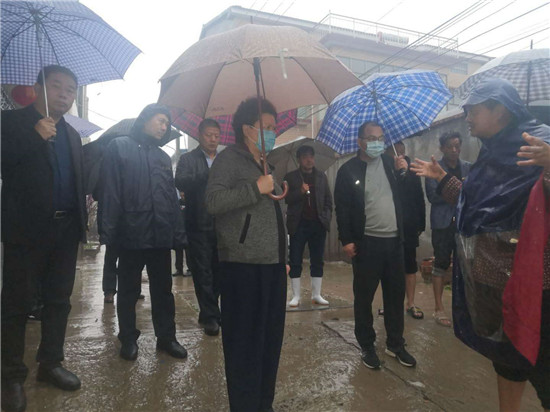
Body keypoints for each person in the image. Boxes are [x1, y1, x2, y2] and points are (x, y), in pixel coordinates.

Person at [411, 78, 550, 412]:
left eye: (473, 110)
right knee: (506, 360)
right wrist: (441, 178)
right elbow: (477, 205)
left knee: (544, 365)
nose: (467, 116)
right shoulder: (490, 153)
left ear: (499, 110)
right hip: (492, 282)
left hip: (536, 285)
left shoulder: (538, 145)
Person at [1, 65, 88, 412]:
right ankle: (11, 376)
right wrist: (33, 136)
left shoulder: (72, 134)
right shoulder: (11, 122)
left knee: (58, 301)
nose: (64, 94)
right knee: (16, 304)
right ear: (37, 89)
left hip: (65, 231)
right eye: (56, 86)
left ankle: (50, 363)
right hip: (26, 231)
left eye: (70, 89)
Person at [205, 97, 287, 412]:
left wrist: (283, 255)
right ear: (246, 129)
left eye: (274, 128)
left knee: (269, 343)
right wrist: (255, 188)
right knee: (243, 346)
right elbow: (213, 202)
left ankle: (263, 404)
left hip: (273, 266)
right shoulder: (229, 159)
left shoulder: (267, 165)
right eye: (266, 127)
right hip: (242, 267)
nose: (271, 133)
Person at [99, 104, 188, 361]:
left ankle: (167, 338)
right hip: (131, 234)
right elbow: (111, 191)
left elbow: (171, 199)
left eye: (167, 123)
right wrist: (109, 231)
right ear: (145, 120)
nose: (164, 127)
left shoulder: (163, 157)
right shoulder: (119, 147)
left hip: (160, 235)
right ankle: (128, 338)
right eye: (160, 121)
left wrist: (177, 232)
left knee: (163, 290)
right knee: (128, 290)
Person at [334, 121, 416, 371]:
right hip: (366, 243)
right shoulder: (348, 170)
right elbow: (343, 207)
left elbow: (408, 198)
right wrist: (346, 239)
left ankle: (395, 344)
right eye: (371, 138)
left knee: (395, 296)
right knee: (364, 297)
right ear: (360, 142)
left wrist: (405, 173)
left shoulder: (393, 164)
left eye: (380, 138)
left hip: (394, 242)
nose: (377, 143)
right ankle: (367, 345)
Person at [175, 118, 222, 336]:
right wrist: (205, 174)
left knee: (220, 271)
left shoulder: (224, 160)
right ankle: (210, 316)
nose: (213, 139)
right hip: (198, 223)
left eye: (216, 136)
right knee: (202, 272)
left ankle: (210, 311)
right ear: (199, 135)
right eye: (208, 135)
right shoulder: (188, 159)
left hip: (223, 224)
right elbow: (180, 181)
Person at [425, 132, 471, 327]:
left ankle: (465, 308)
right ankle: (438, 308)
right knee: (440, 264)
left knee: (466, 265)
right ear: (442, 148)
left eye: (457, 146)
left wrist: (456, 192)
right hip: (443, 224)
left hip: (464, 224)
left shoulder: (468, 167)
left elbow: (473, 193)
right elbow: (432, 196)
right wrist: (458, 192)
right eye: (450, 146)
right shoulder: (435, 168)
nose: (454, 150)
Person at [284, 145, 333, 307]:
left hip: (318, 223)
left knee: (317, 259)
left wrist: (326, 217)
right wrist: (300, 191)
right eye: (305, 157)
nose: (309, 160)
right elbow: (286, 199)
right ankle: (296, 296)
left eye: (311, 156)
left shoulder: (321, 176)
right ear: (299, 159)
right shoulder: (291, 177)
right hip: (298, 224)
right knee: (295, 259)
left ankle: (316, 294)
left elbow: (328, 199)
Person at [385, 141, 426, 319]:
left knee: (409, 265)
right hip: (389, 224)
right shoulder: (383, 168)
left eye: (401, 151)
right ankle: (390, 304)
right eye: (394, 151)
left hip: (409, 225)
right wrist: (395, 172)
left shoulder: (412, 169)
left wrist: (421, 224)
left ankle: (411, 303)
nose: (398, 155)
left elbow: (419, 197)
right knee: (389, 267)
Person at [172, 191, 192, 278]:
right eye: (181, 193)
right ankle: (179, 269)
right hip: (179, 230)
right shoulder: (177, 203)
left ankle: (190, 269)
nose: (182, 195)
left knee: (188, 251)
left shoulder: (190, 203)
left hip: (188, 229)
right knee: (178, 250)